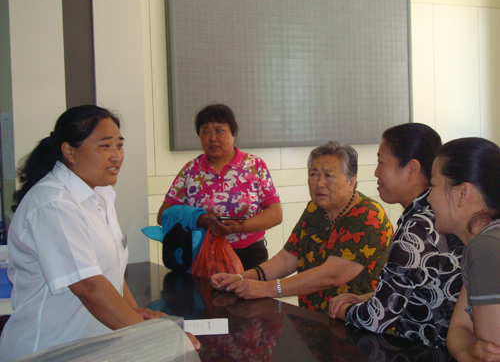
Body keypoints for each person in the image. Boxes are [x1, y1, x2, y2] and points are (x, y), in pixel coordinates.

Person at [0, 105, 199, 361]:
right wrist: (155, 336)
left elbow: (109, 273)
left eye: (119, 145)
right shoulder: (54, 204)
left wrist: (135, 312)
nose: (116, 156)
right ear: (69, 152)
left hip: (90, 346)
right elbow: (89, 286)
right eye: (105, 147)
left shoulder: (100, 195)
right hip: (47, 348)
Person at [211, 141, 394, 314]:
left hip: (357, 324)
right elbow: (287, 258)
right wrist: (242, 278)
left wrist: (268, 289)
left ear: (351, 181)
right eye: (314, 174)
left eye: (328, 175)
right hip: (314, 320)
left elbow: (332, 275)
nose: (319, 183)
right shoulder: (315, 209)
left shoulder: (368, 216)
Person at [328, 123, 464, 348]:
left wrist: (340, 310)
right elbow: (418, 288)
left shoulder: (417, 229)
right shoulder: (431, 215)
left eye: (381, 162)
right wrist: (367, 297)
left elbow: (375, 319)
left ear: (411, 168)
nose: (376, 172)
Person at [157, 103, 282, 270]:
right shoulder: (191, 170)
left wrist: (239, 227)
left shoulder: (254, 166)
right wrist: (199, 219)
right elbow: (163, 215)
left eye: (219, 130)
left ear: (234, 133)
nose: (212, 138)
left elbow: (275, 214)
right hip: (202, 255)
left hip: (250, 255)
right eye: (205, 132)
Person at [427, 138, 500, 360]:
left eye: (432, 186)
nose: (428, 199)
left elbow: (490, 354)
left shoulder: (487, 248)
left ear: (463, 193)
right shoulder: (482, 244)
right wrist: (467, 352)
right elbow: (459, 329)